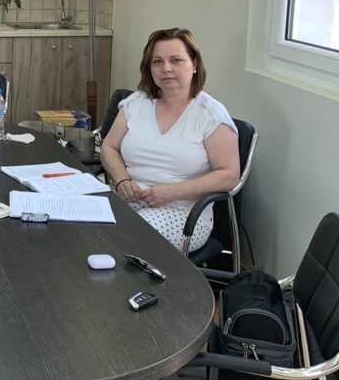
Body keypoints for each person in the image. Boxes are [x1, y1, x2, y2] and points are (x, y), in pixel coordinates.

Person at [100, 28, 240, 252]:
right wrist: (122, 181)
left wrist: (172, 192)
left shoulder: (210, 114)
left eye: (176, 60)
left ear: (194, 64)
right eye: (157, 61)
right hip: (128, 199)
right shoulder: (137, 103)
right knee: (79, 225)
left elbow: (229, 175)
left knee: (128, 236)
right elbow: (109, 146)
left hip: (182, 211)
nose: (166, 68)